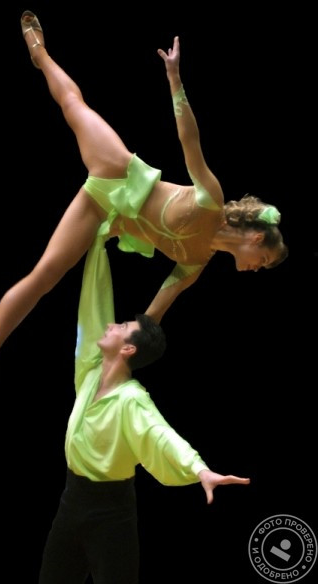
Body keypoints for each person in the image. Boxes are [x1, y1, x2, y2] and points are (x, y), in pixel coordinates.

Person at [0, 11, 287, 407]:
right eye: (263, 260)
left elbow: (151, 319)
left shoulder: (195, 264)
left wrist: (123, 364)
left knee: (45, 275)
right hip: (117, 170)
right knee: (72, 104)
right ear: (256, 237)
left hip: (102, 213)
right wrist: (175, 80)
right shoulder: (211, 201)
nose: (256, 269)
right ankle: (40, 54)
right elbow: (190, 142)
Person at [43, 232, 251, 582]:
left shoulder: (131, 398)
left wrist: (199, 469)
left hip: (111, 512)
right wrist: (96, 247)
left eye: (122, 326)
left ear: (128, 349)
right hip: (70, 501)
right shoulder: (90, 372)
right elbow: (93, 306)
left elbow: (160, 433)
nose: (111, 324)